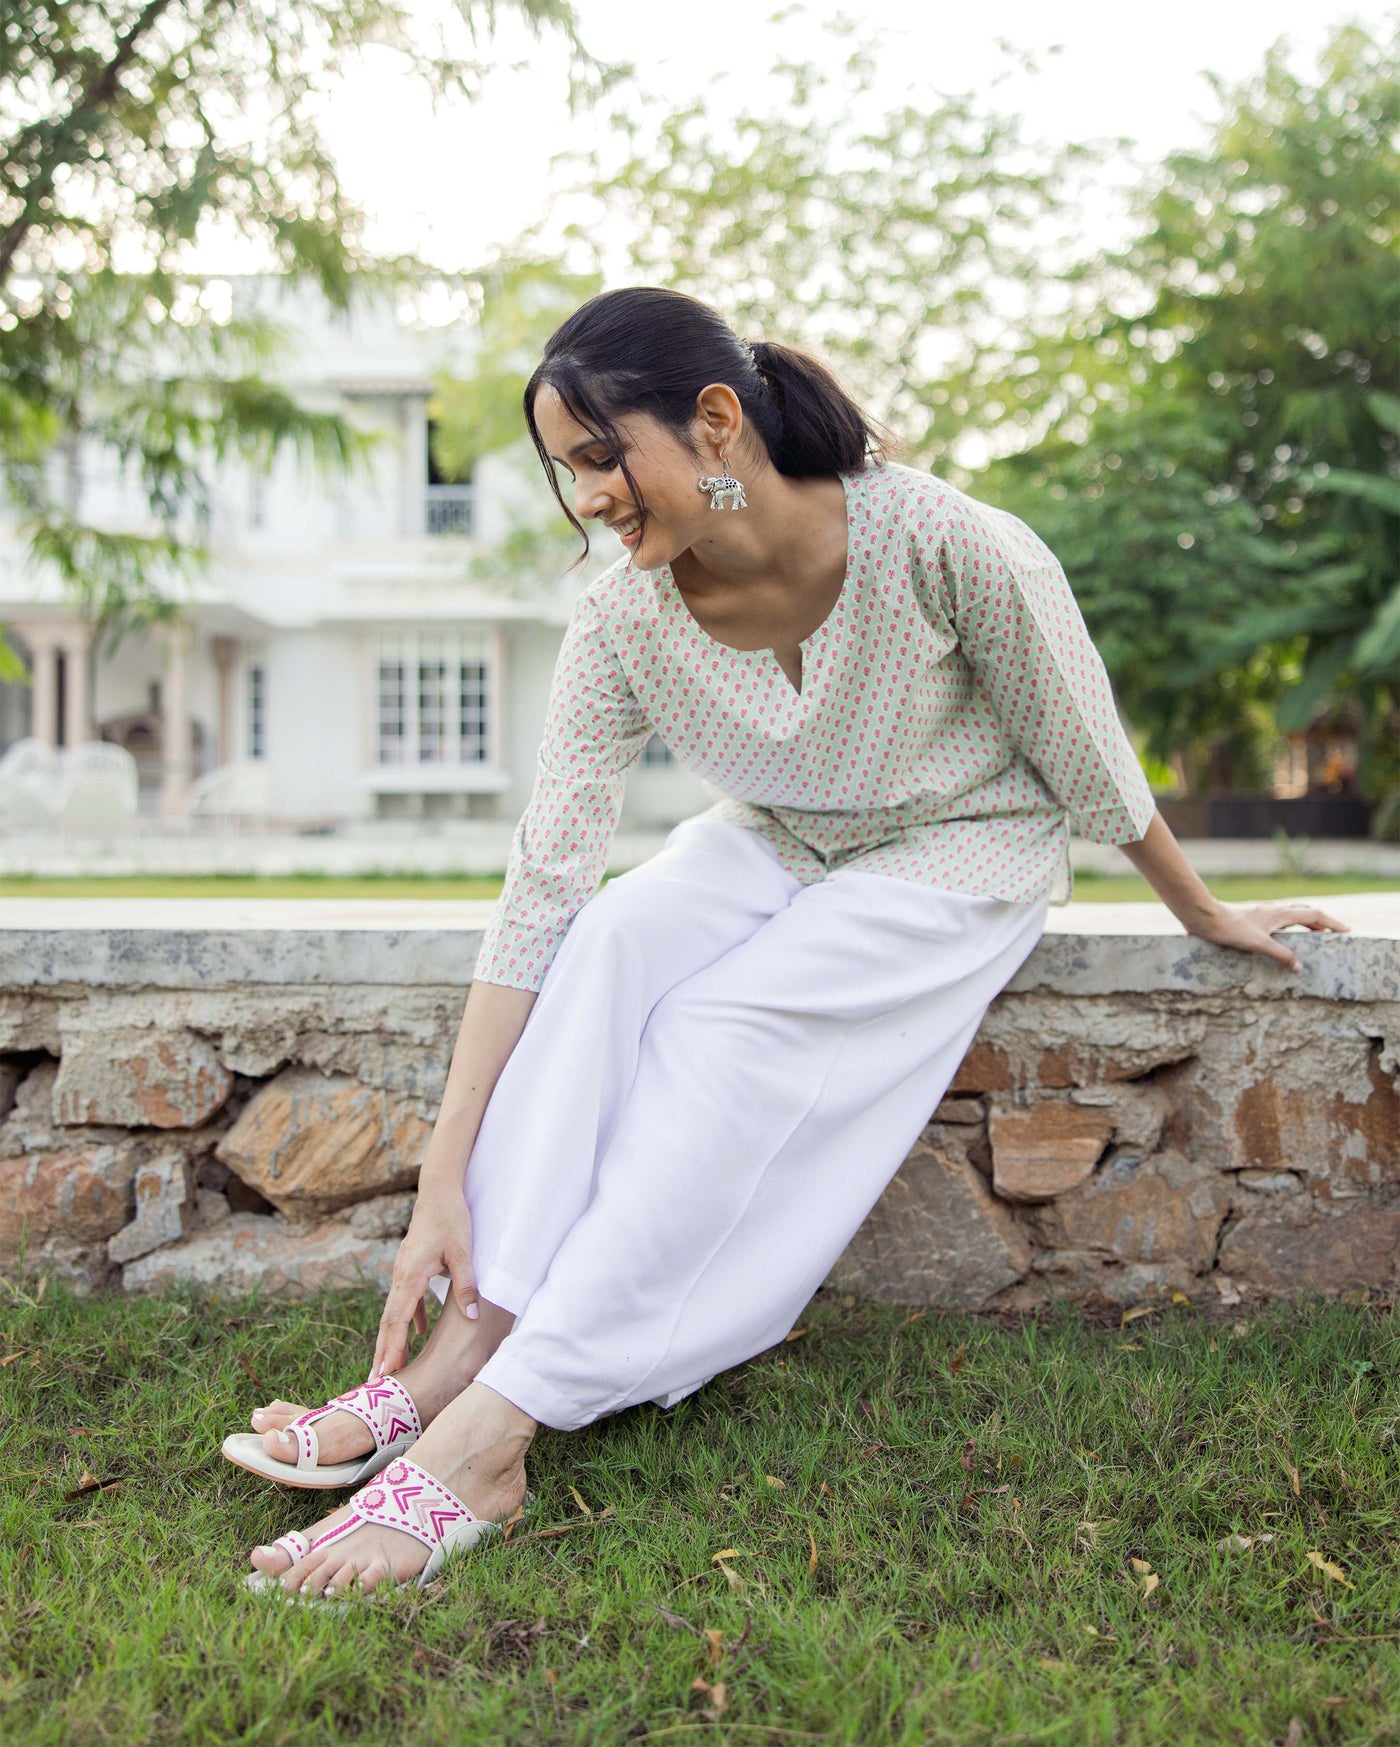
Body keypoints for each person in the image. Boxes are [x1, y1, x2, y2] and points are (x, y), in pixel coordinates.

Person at [223, 286, 1348, 1600]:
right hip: (776, 835)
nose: (587, 496)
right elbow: (545, 887)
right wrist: (443, 1177)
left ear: (713, 423)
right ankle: (460, 1348)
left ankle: (497, 1429)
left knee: (721, 1031)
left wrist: (1204, 913)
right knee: (617, 941)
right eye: (564, 471)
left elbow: (1089, 765)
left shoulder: (951, 545)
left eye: (601, 457)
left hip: (960, 844)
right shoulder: (623, 616)